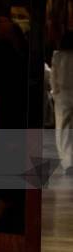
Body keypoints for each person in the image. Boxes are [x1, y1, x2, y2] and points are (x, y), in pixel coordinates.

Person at [51, 32, 73, 176]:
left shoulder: (58, 56)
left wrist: (55, 93)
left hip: (62, 96)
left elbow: (54, 76)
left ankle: (67, 162)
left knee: (62, 129)